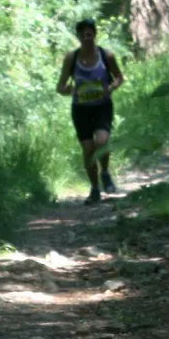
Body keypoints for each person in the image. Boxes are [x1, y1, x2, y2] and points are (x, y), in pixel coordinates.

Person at [56, 18, 124, 204]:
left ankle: (105, 172)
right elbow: (60, 87)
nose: (87, 37)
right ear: (78, 36)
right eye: (83, 34)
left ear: (95, 34)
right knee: (87, 149)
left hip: (102, 106)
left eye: (90, 33)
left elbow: (119, 77)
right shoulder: (71, 58)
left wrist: (110, 88)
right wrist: (72, 90)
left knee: (102, 141)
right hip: (81, 110)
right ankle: (94, 189)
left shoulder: (106, 55)